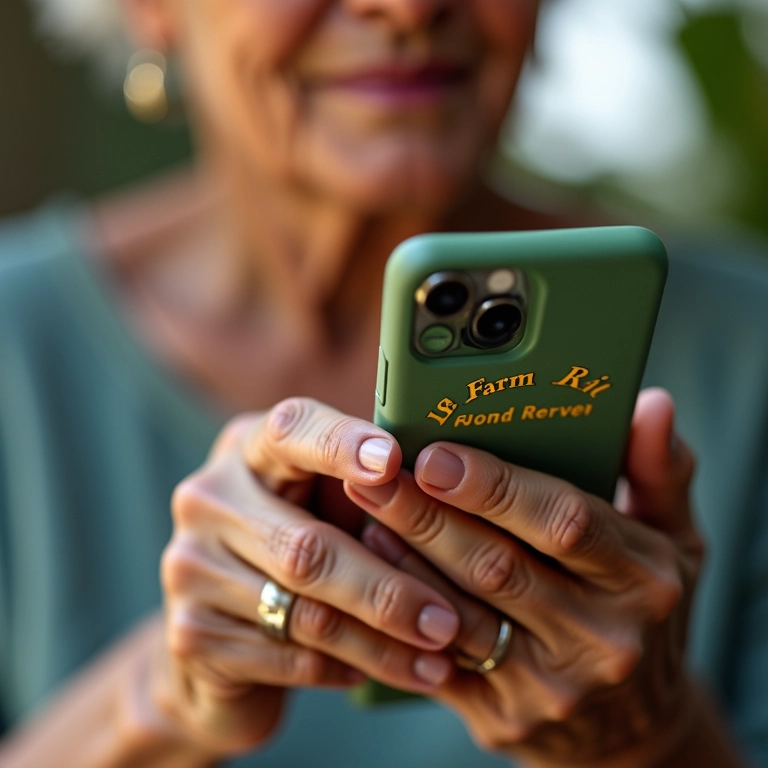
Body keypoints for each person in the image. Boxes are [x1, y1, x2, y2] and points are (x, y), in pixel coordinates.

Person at [0, 1, 767, 766]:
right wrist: (163, 696)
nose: (409, 8)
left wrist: (652, 739)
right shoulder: (19, 347)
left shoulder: (747, 352)